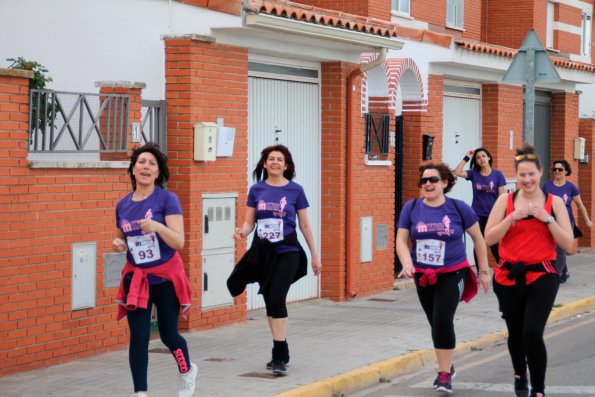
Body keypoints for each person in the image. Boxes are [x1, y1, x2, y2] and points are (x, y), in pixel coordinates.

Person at [485, 144, 573, 397]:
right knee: (516, 332)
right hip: (508, 275)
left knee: (532, 332)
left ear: (541, 173)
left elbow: (567, 243)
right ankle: (519, 373)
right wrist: (511, 218)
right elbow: (489, 237)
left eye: (531, 174)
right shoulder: (506, 200)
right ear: (517, 176)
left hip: (543, 275)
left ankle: (539, 389)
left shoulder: (553, 202)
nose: (527, 180)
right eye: (522, 175)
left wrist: (549, 220)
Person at [396, 161, 490, 394]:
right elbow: (400, 240)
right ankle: (447, 362)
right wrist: (407, 263)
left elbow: (479, 240)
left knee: (441, 319)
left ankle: (444, 374)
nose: (428, 184)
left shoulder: (458, 208)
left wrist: (484, 272)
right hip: (423, 275)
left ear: (445, 183)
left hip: (453, 272)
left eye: (433, 180)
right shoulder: (412, 207)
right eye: (424, 180)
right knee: (434, 321)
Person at [228, 144, 321, 376]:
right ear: (264, 164)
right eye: (271, 159)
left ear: (286, 165)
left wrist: (314, 255)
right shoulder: (256, 190)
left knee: (277, 297)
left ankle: (280, 356)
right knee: (268, 299)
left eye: (280, 159)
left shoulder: (295, 191)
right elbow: (250, 222)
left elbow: (305, 225)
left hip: (288, 250)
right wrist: (242, 231)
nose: (275, 162)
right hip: (263, 251)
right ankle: (281, 349)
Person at [112, 143, 197, 397]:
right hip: (137, 278)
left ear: (158, 172)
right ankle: (140, 393)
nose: (146, 167)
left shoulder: (167, 199)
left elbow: (179, 242)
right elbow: (121, 236)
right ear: (133, 169)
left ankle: (187, 371)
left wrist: (158, 227)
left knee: (169, 335)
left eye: (151, 163)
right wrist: (117, 243)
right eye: (141, 162)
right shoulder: (123, 205)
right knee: (138, 337)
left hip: (165, 277)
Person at [454, 147, 506, 268]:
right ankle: (480, 271)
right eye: (478, 158)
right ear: (476, 161)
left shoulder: (498, 175)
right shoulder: (474, 174)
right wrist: (466, 157)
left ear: (488, 157)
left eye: (483, 156)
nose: (481, 159)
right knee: (479, 242)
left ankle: (503, 268)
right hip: (477, 215)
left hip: (493, 215)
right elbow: (457, 172)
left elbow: (502, 197)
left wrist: (502, 214)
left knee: (494, 243)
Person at [542, 159, 592, 283]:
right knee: (551, 248)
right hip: (550, 221)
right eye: (555, 169)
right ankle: (564, 272)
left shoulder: (571, 187)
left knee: (560, 248)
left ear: (566, 171)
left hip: (566, 222)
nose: (557, 171)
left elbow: (580, 205)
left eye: (560, 169)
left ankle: (556, 275)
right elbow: (541, 203)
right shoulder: (547, 186)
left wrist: (587, 220)